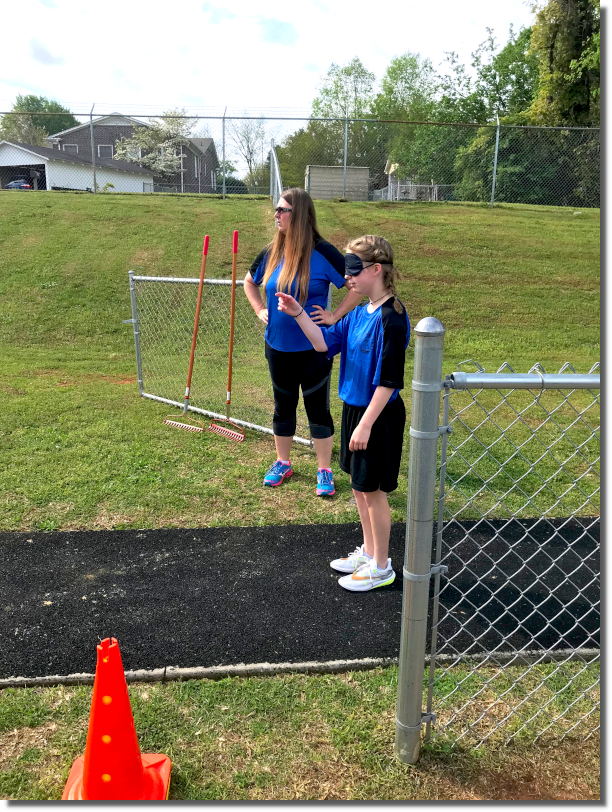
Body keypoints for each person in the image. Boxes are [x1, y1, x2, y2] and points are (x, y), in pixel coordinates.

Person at [276, 235, 410, 592]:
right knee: (358, 488)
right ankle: (369, 552)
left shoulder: (391, 318)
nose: (347, 278)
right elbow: (322, 342)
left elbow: (389, 382)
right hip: (355, 411)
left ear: (376, 269)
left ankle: (381, 567)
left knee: (374, 491)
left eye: (354, 269)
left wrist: (366, 425)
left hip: (377, 417)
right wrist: (298, 313)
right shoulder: (358, 314)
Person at [244, 188, 363, 496]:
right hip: (277, 347)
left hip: (314, 349)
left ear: (299, 215)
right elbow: (249, 281)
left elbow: (357, 285)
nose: (276, 214)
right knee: (283, 406)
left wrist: (335, 315)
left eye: (282, 210)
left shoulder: (323, 252)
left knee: (317, 410)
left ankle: (324, 470)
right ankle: (283, 462)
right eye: (277, 209)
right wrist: (259, 309)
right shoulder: (272, 252)